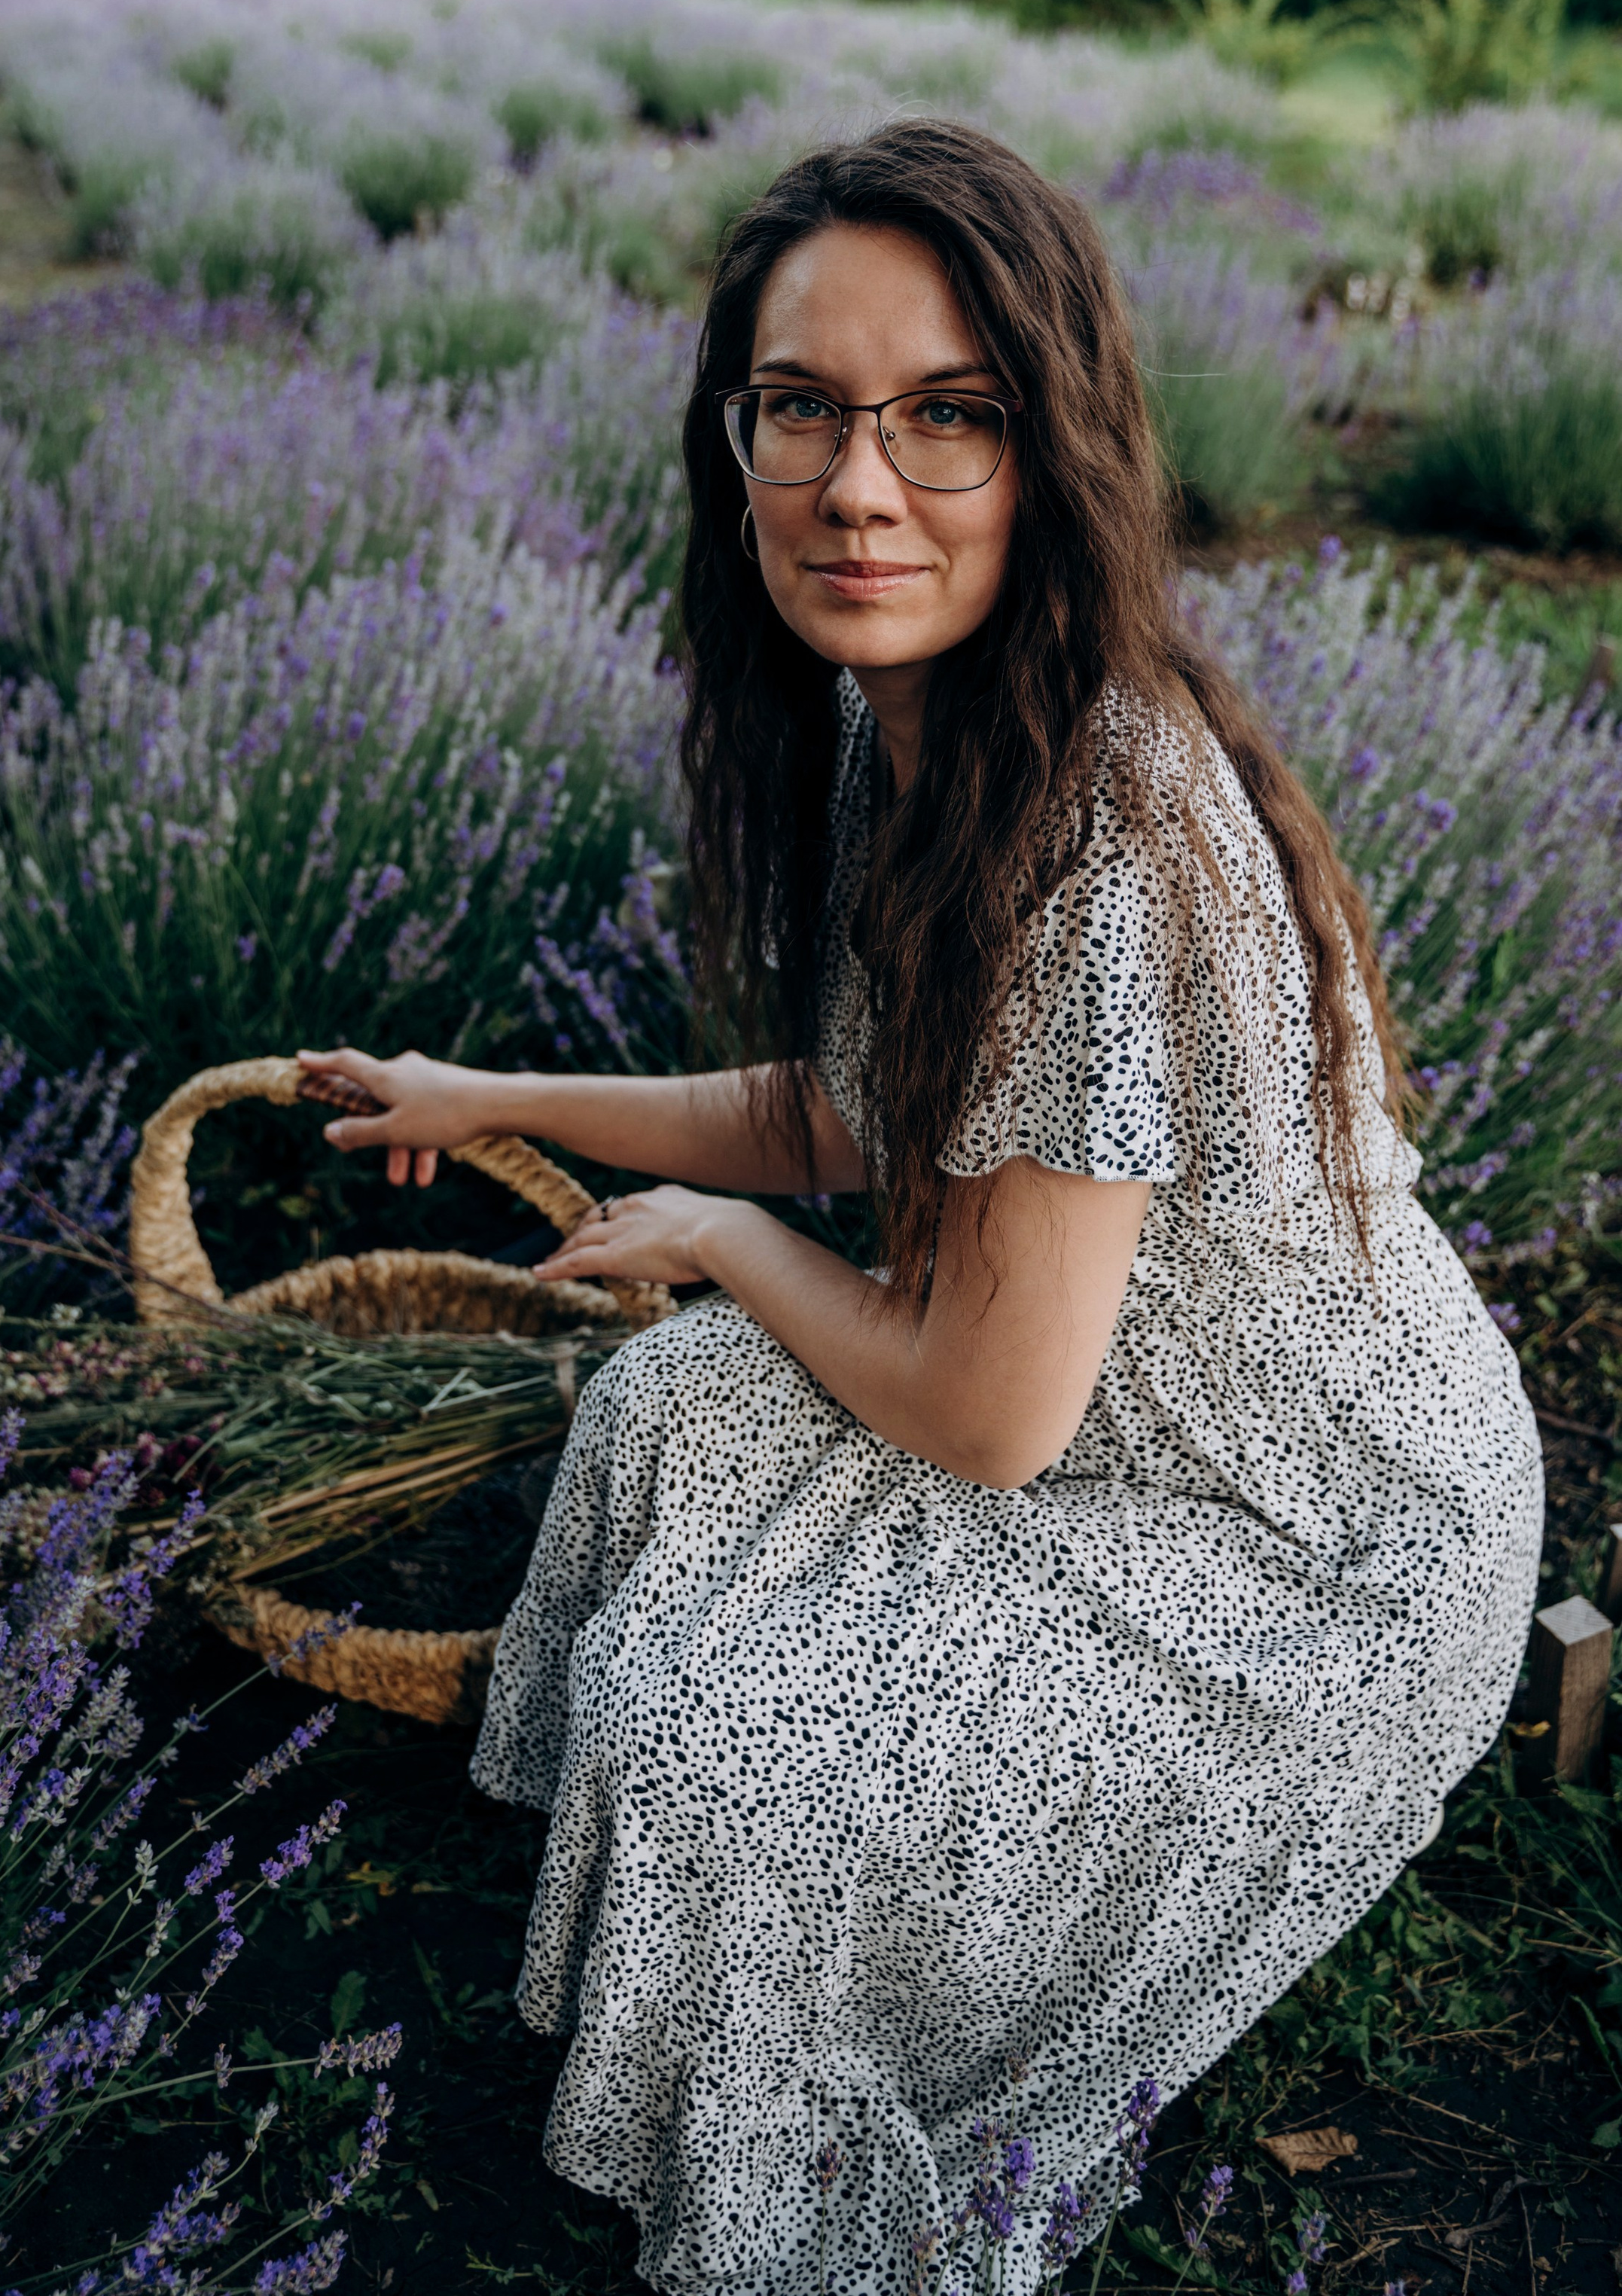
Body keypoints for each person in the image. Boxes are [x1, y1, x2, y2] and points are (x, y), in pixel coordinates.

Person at [299, 118, 1541, 2294]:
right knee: (674, 1420)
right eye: (805, 409)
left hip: (1302, 1529)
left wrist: (725, 1248)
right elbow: (867, 1117)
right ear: (738, 432)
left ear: (1051, 450)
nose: (860, 484)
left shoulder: (1098, 826)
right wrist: (484, 1092)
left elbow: (985, 1421)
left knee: (728, 1735)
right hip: (1102, 1397)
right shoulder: (931, 709)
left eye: (948, 419)